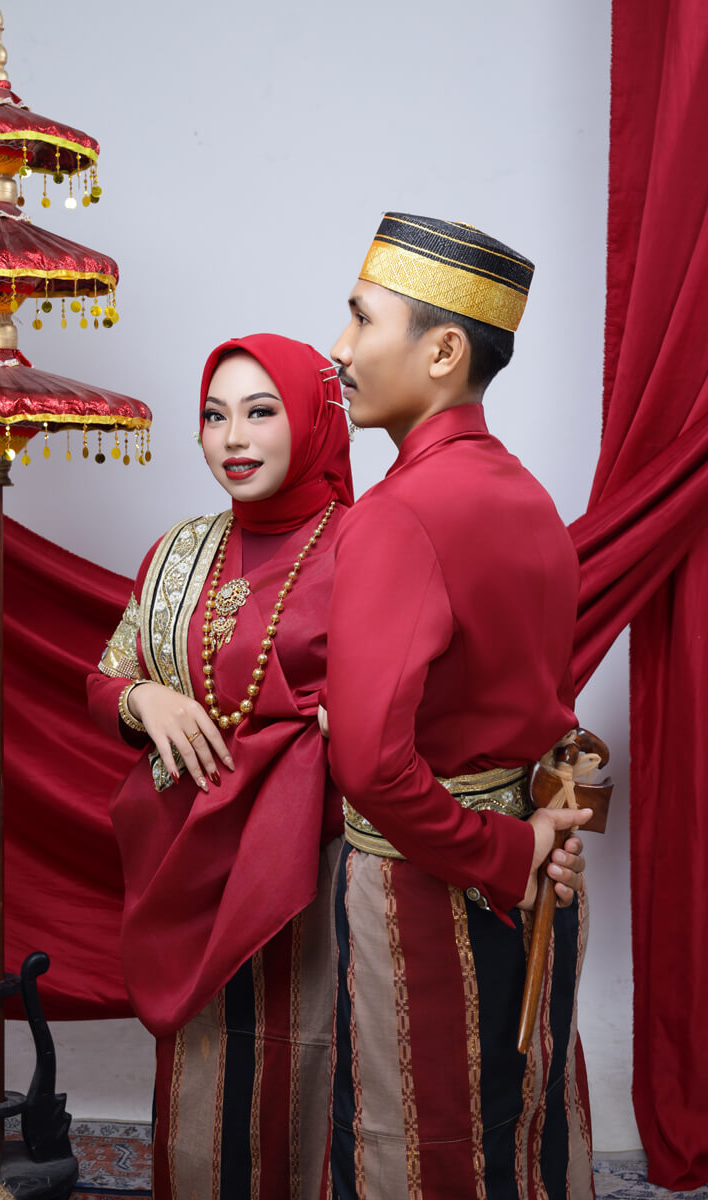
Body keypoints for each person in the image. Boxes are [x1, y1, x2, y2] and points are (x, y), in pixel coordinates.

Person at [323, 214, 595, 1198]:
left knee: (416, 1140)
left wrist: (503, 854)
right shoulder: (528, 497)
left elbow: (368, 764)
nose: (340, 348)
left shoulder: (397, 515)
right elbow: (539, 709)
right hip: (541, 869)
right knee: (520, 1129)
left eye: (362, 320)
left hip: (430, 885)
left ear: (442, 352)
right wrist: (531, 842)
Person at [87, 333, 355, 1198]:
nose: (233, 438)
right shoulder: (180, 552)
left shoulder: (366, 545)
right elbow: (107, 677)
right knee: (206, 1081)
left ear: (314, 419)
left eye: (261, 412)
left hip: (318, 866)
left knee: (316, 1068)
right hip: (190, 860)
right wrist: (145, 700)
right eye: (214, 416)